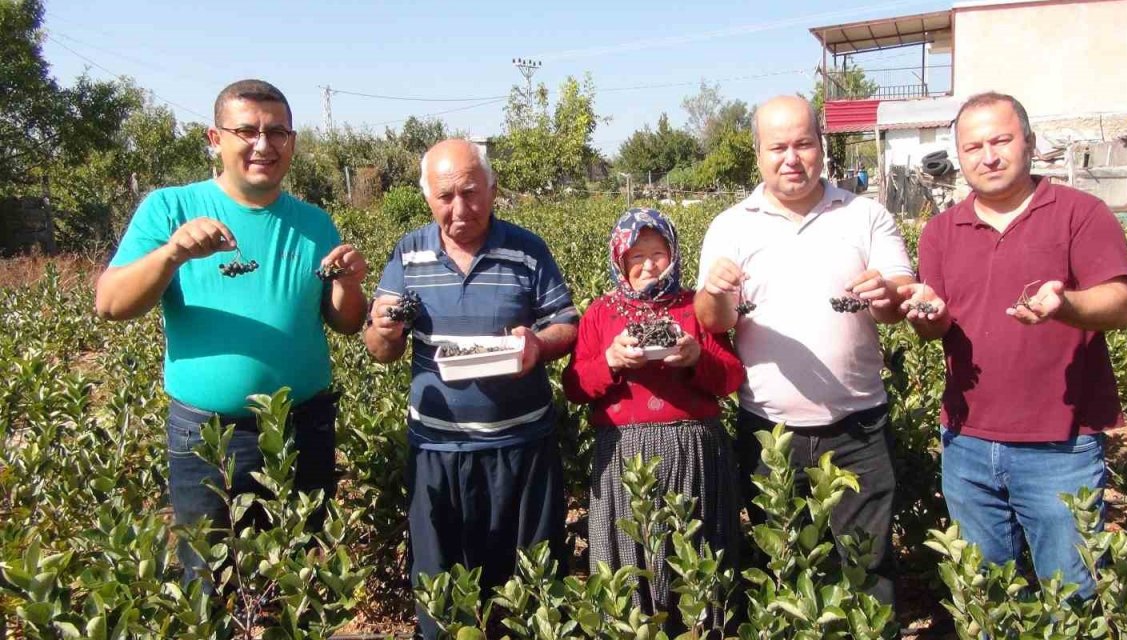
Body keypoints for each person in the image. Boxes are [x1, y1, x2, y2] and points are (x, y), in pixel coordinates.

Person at [94, 79, 368, 586]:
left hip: (302, 430)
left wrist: (349, 286)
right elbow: (110, 304)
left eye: (277, 132)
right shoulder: (170, 210)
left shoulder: (314, 222)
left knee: (300, 578)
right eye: (247, 131)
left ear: (292, 141)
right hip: (210, 436)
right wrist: (172, 253)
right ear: (214, 139)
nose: (264, 145)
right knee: (214, 578)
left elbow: (345, 323)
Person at [900, 92, 1127, 599]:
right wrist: (928, 317)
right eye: (973, 146)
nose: (988, 156)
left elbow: (1119, 303)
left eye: (1001, 140)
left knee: (1069, 592)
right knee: (987, 596)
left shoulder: (1080, 213)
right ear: (959, 157)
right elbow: (934, 328)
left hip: (1061, 445)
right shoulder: (940, 232)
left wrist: (1066, 305)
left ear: (1028, 143)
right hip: (966, 443)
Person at [694, 95, 915, 606]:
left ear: (821, 146)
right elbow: (714, 322)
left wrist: (889, 294)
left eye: (803, 143)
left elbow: (896, 297)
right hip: (769, 433)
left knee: (866, 566)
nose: (791, 158)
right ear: (758, 155)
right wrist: (716, 293)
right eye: (777, 147)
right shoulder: (731, 225)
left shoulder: (864, 214)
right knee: (785, 567)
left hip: (858, 427)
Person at [363, 139, 579, 639]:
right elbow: (380, 347)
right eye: (445, 196)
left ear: (492, 189)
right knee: (443, 601)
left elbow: (565, 323)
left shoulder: (526, 249)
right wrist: (383, 329)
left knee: (533, 596)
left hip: (521, 448)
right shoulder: (408, 253)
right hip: (437, 451)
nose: (459, 208)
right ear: (427, 198)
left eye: (471, 192)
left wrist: (536, 345)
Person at [562, 208, 744, 631]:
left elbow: (731, 376)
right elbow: (573, 385)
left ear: (674, 255)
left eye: (658, 254)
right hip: (623, 456)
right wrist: (610, 360)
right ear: (619, 260)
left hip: (693, 453)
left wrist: (697, 358)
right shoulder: (601, 314)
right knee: (631, 556)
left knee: (696, 553)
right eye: (636, 255)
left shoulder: (695, 309)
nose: (648, 265)